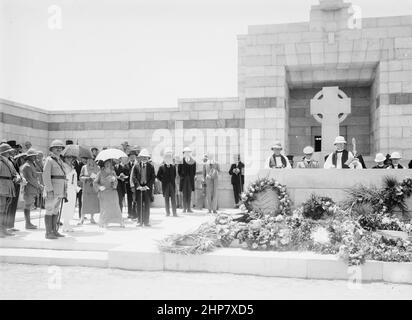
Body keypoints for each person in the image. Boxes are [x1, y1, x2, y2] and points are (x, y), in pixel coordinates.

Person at [42, 140, 67, 239]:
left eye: (60, 148)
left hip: (60, 190)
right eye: (56, 147)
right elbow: (46, 176)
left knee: (55, 211)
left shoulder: (60, 160)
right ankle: (48, 233)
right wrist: (49, 190)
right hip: (52, 190)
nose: (59, 149)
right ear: (51, 149)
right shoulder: (49, 160)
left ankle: (54, 231)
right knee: (49, 210)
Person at [94, 160, 124, 228]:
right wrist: (99, 187)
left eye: (109, 164)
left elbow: (116, 182)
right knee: (105, 208)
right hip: (104, 193)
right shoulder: (100, 173)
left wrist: (114, 182)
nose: (108, 165)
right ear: (104, 165)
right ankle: (104, 221)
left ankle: (120, 221)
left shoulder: (113, 172)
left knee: (116, 207)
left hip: (112, 192)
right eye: (106, 164)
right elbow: (95, 182)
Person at [0, 144, 21, 237]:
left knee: (5, 209)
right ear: (4, 152)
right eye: (9, 151)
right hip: (2, 187)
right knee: (1, 209)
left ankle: (3, 228)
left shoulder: (9, 161)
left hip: (9, 187)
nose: (11, 152)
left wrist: (17, 176)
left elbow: (14, 172)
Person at [131, 149, 155, 226]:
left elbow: (153, 177)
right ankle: (139, 221)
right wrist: (138, 186)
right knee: (139, 205)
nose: (145, 158)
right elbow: (134, 177)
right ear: (140, 157)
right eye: (143, 157)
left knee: (147, 205)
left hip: (147, 188)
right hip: (139, 188)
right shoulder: (136, 166)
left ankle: (146, 221)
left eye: (146, 157)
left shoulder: (151, 166)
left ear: (148, 158)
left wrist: (147, 186)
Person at [20, 149, 43, 229]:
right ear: (29, 157)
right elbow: (30, 179)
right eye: (32, 156)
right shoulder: (27, 166)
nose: (34, 157)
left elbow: (34, 177)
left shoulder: (32, 164)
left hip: (32, 188)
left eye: (35, 155)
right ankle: (28, 223)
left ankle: (29, 223)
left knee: (29, 205)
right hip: (29, 188)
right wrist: (39, 186)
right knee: (27, 205)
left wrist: (38, 185)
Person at [157, 148, 177, 217]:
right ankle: (167, 212)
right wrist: (163, 180)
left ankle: (174, 212)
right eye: (167, 157)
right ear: (165, 159)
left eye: (169, 157)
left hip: (172, 185)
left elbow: (174, 175)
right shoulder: (161, 167)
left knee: (173, 199)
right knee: (166, 200)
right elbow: (158, 176)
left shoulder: (173, 167)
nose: (168, 159)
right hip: (165, 186)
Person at [79, 158, 100, 224]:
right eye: (89, 159)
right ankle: (82, 218)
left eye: (92, 159)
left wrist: (94, 177)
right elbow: (80, 177)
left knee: (93, 202)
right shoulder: (84, 167)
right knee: (84, 202)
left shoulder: (98, 167)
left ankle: (92, 218)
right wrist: (87, 178)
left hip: (94, 187)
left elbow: (99, 177)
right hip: (86, 187)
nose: (91, 161)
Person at [60, 155, 77, 232]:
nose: (70, 159)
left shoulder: (72, 166)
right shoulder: (63, 166)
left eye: (71, 158)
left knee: (71, 205)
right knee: (66, 205)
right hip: (66, 187)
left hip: (72, 188)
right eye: (68, 158)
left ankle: (67, 223)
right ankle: (65, 224)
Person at [178, 147, 196, 213]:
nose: (187, 154)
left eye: (188, 152)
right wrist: (182, 177)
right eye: (185, 152)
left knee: (189, 194)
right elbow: (179, 171)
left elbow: (194, 172)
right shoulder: (181, 161)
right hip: (184, 180)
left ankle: (189, 208)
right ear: (184, 153)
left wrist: (190, 177)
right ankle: (184, 208)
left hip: (190, 180)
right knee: (184, 194)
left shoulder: (193, 161)